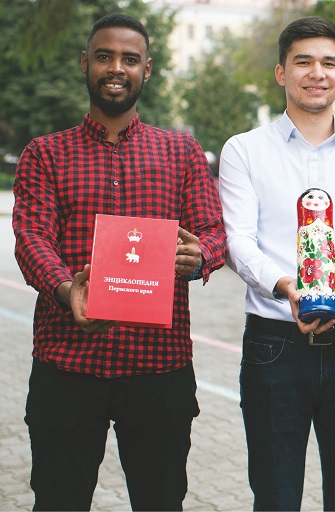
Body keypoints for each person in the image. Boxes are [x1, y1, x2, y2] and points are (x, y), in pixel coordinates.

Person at [12, 13, 226, 510]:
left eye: (130, 59)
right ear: (85, 63)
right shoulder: (45, 154)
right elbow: (31, 238)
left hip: (159, 364)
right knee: (58, 502)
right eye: (104, 56)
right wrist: (68, 291)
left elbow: (214, 232)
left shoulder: (181, 152)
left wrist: (199, 257)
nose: (116, 68)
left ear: (146, 70)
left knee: (161, 501)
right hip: (67, 362)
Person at [217, 16, 335, 511]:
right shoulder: (244, 150)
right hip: (274, 346)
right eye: (303, 62)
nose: (317, 73)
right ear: (281, 73)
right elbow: (238, 241)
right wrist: (285, 286)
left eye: (328, 63)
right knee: (275, 498)